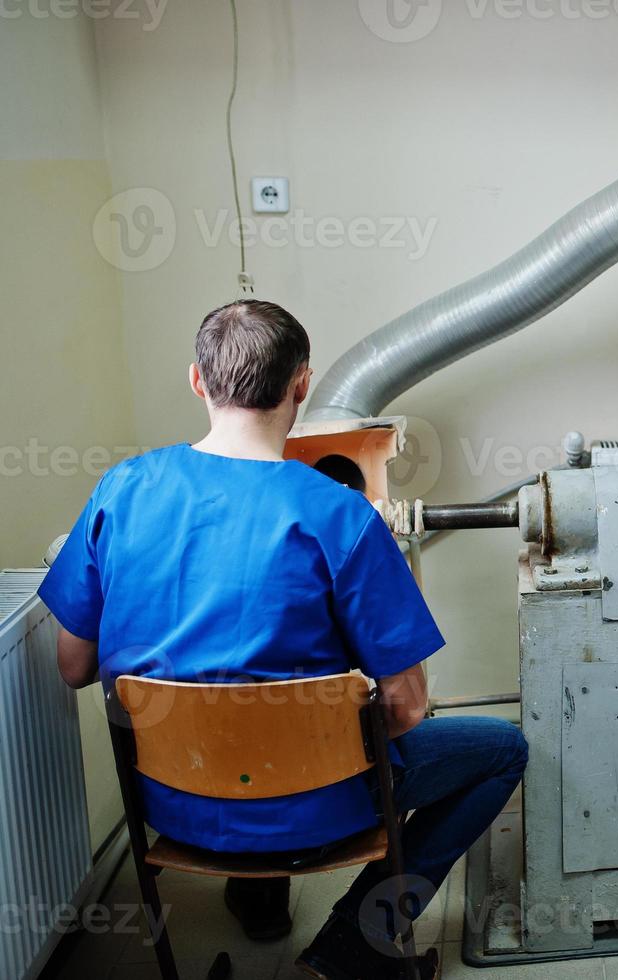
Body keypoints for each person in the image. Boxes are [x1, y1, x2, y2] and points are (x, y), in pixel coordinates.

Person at [40, 300, 527, 979]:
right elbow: (408, 709)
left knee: (237, 726)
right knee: (504, 749)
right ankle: (349, 950)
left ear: (196, 381)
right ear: (302, 385)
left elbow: (71, 666)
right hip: (318, 806)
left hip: (172, 804)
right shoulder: (340, 514)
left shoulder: (121, 491)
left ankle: (261, 902)